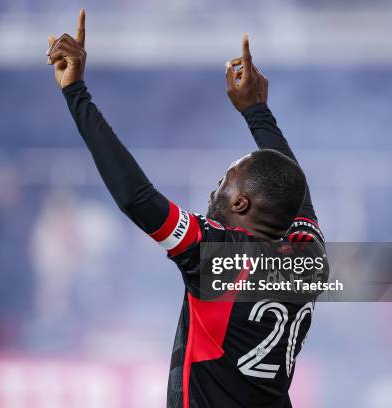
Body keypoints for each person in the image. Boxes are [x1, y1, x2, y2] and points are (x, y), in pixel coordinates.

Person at [47, 10, 325, 408]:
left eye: (221, 185)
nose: (213, 194)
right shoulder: (309, 257)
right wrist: (256, 111)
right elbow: (296, 188)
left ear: (241, 203)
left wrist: (76, 93)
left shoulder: (219, 258)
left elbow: (137, 198)